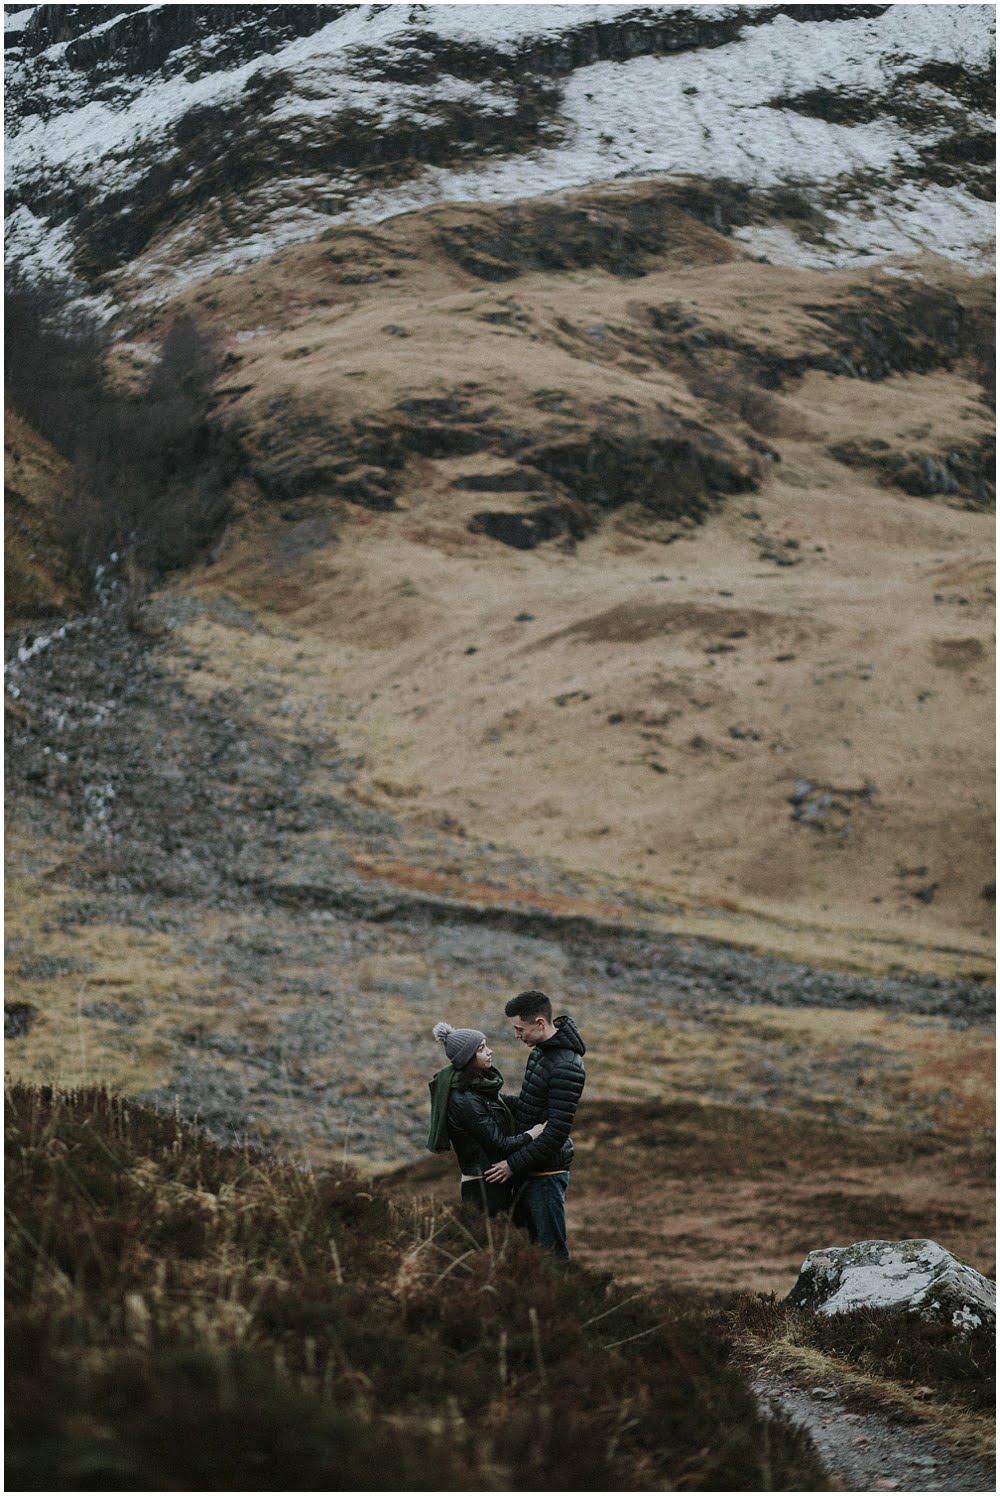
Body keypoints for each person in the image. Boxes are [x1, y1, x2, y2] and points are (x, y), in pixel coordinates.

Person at [484, 989, 585, 1260]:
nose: (517, 1036)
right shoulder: (541, 1053)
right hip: (532, 1170)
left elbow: (555, 1132)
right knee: (526, 1251)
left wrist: (512, 1165)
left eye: (520, 1029)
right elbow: (531, 1108)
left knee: (551, 1254)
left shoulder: (567, 1066)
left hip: (547, 1175)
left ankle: (560, 1302)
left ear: (540, 1023)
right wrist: (489, 1097)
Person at [427, 1021, 546, 1216]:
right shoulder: (465, 1100)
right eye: (482, 1049)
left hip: (494, 1182)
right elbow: (499, 1144)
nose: (490, 1051)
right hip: (483, 1187)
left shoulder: (479, 1089)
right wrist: (533, 1133)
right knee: (491, 1242)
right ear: (467, 1057)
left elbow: (510, 1103)